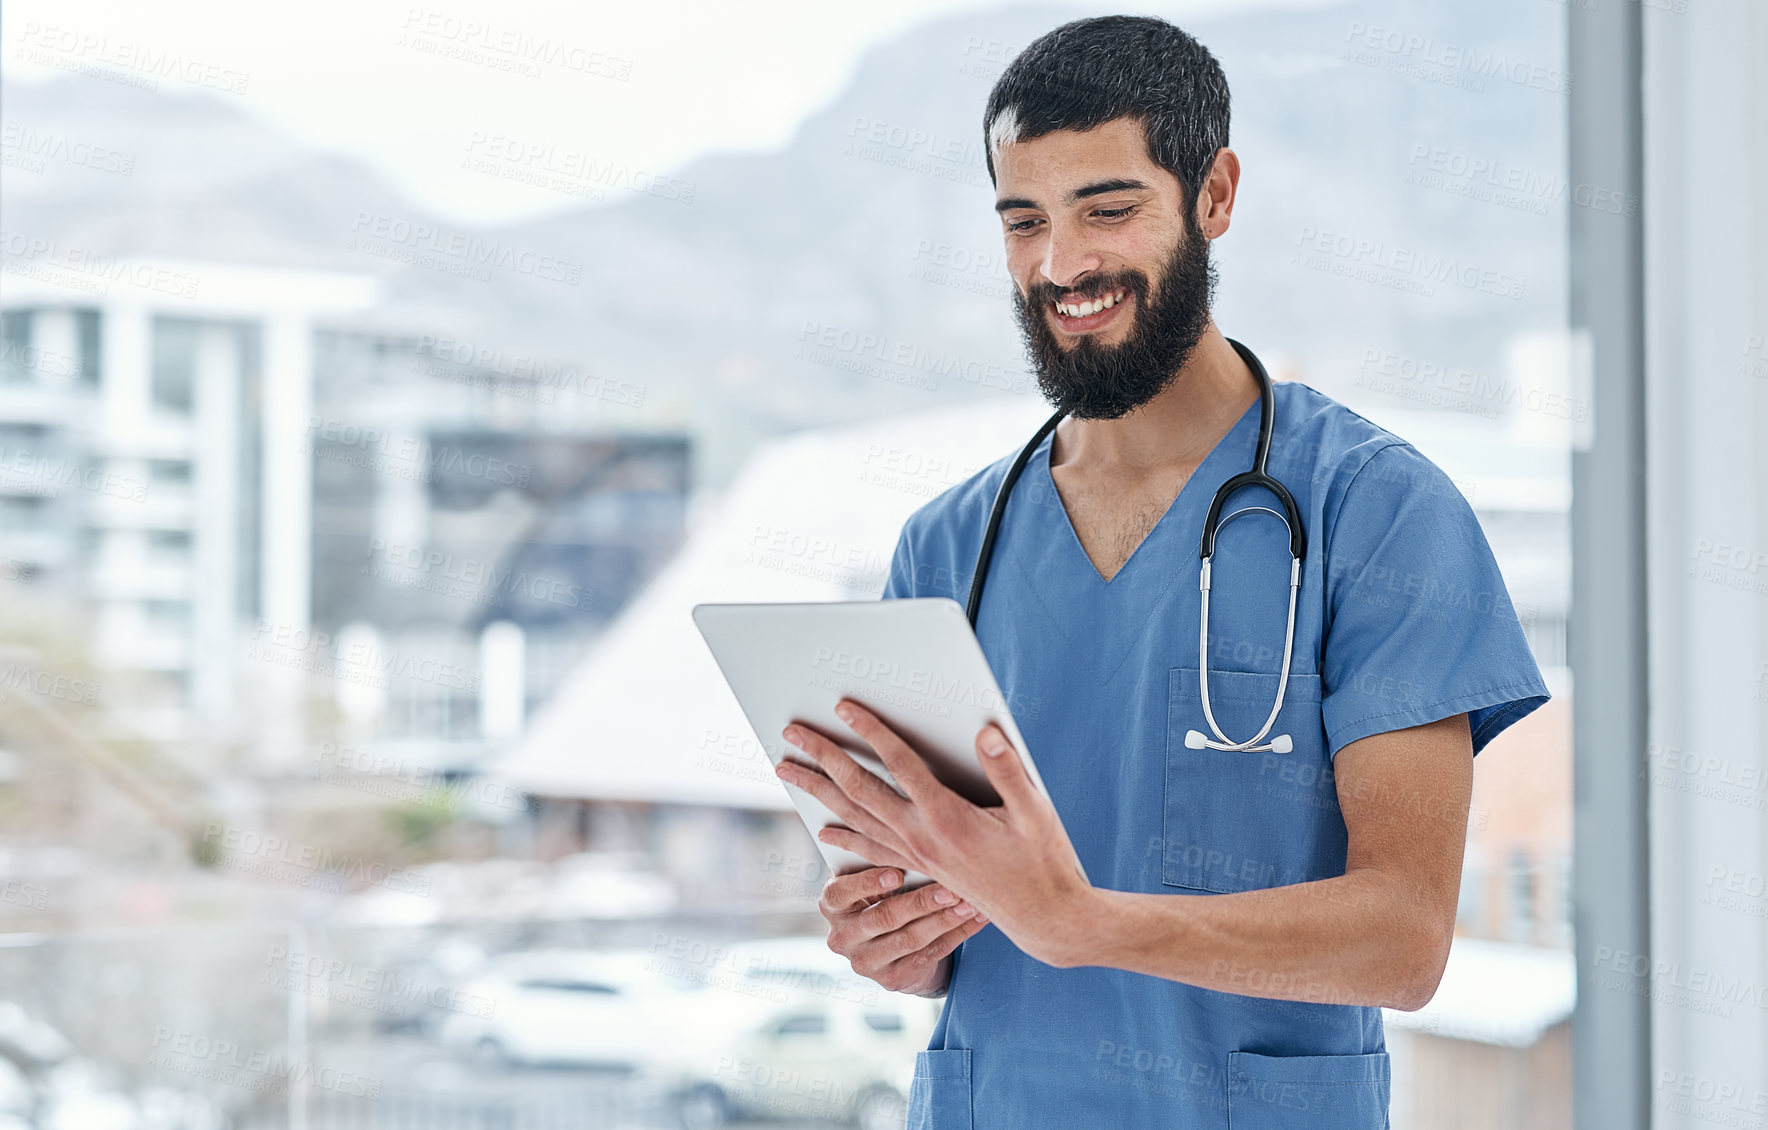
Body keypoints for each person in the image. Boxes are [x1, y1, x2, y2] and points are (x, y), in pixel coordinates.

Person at [770, 15, 1549, 1128]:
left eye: (1107, 208)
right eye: (1023, 221)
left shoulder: (1373, 510)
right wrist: (898, 943)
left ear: (1214, 194)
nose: (1061, 265)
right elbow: (945, 907)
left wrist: (1087, 920)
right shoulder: (948, 546)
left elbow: (1404, 938)